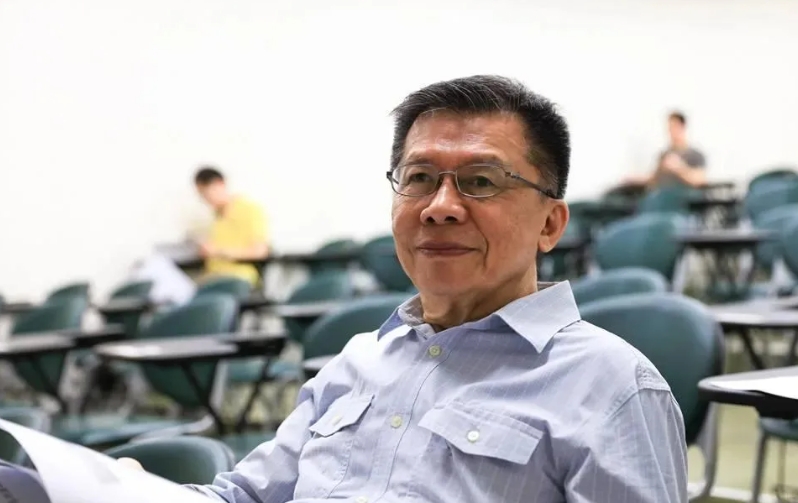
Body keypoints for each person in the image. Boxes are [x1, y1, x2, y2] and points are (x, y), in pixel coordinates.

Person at [120, 75, 688, 502]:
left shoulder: (609, 387)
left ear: (550, 224)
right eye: (418, 178)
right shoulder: (357, 363)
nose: (440, 207)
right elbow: (246, 495)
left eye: (481, 181)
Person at [193, 167, 270, 285]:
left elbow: (260, 252)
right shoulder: (217, 216)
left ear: (220, 183)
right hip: (213, 276)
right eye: (202, 196)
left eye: (206, 194)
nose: (206, 200)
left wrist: (218, 251)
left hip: (237, 276)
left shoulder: (250, 210)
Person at [626, 111, 707, 188]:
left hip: (683, 193)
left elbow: (700, 180)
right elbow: (653, 179)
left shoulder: (695, 155)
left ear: (683, 127)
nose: (671, 132)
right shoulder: (664, 155)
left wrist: (678, 168)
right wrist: (635, 179)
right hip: (661, 192)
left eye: (674, 127)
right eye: (669, 128)